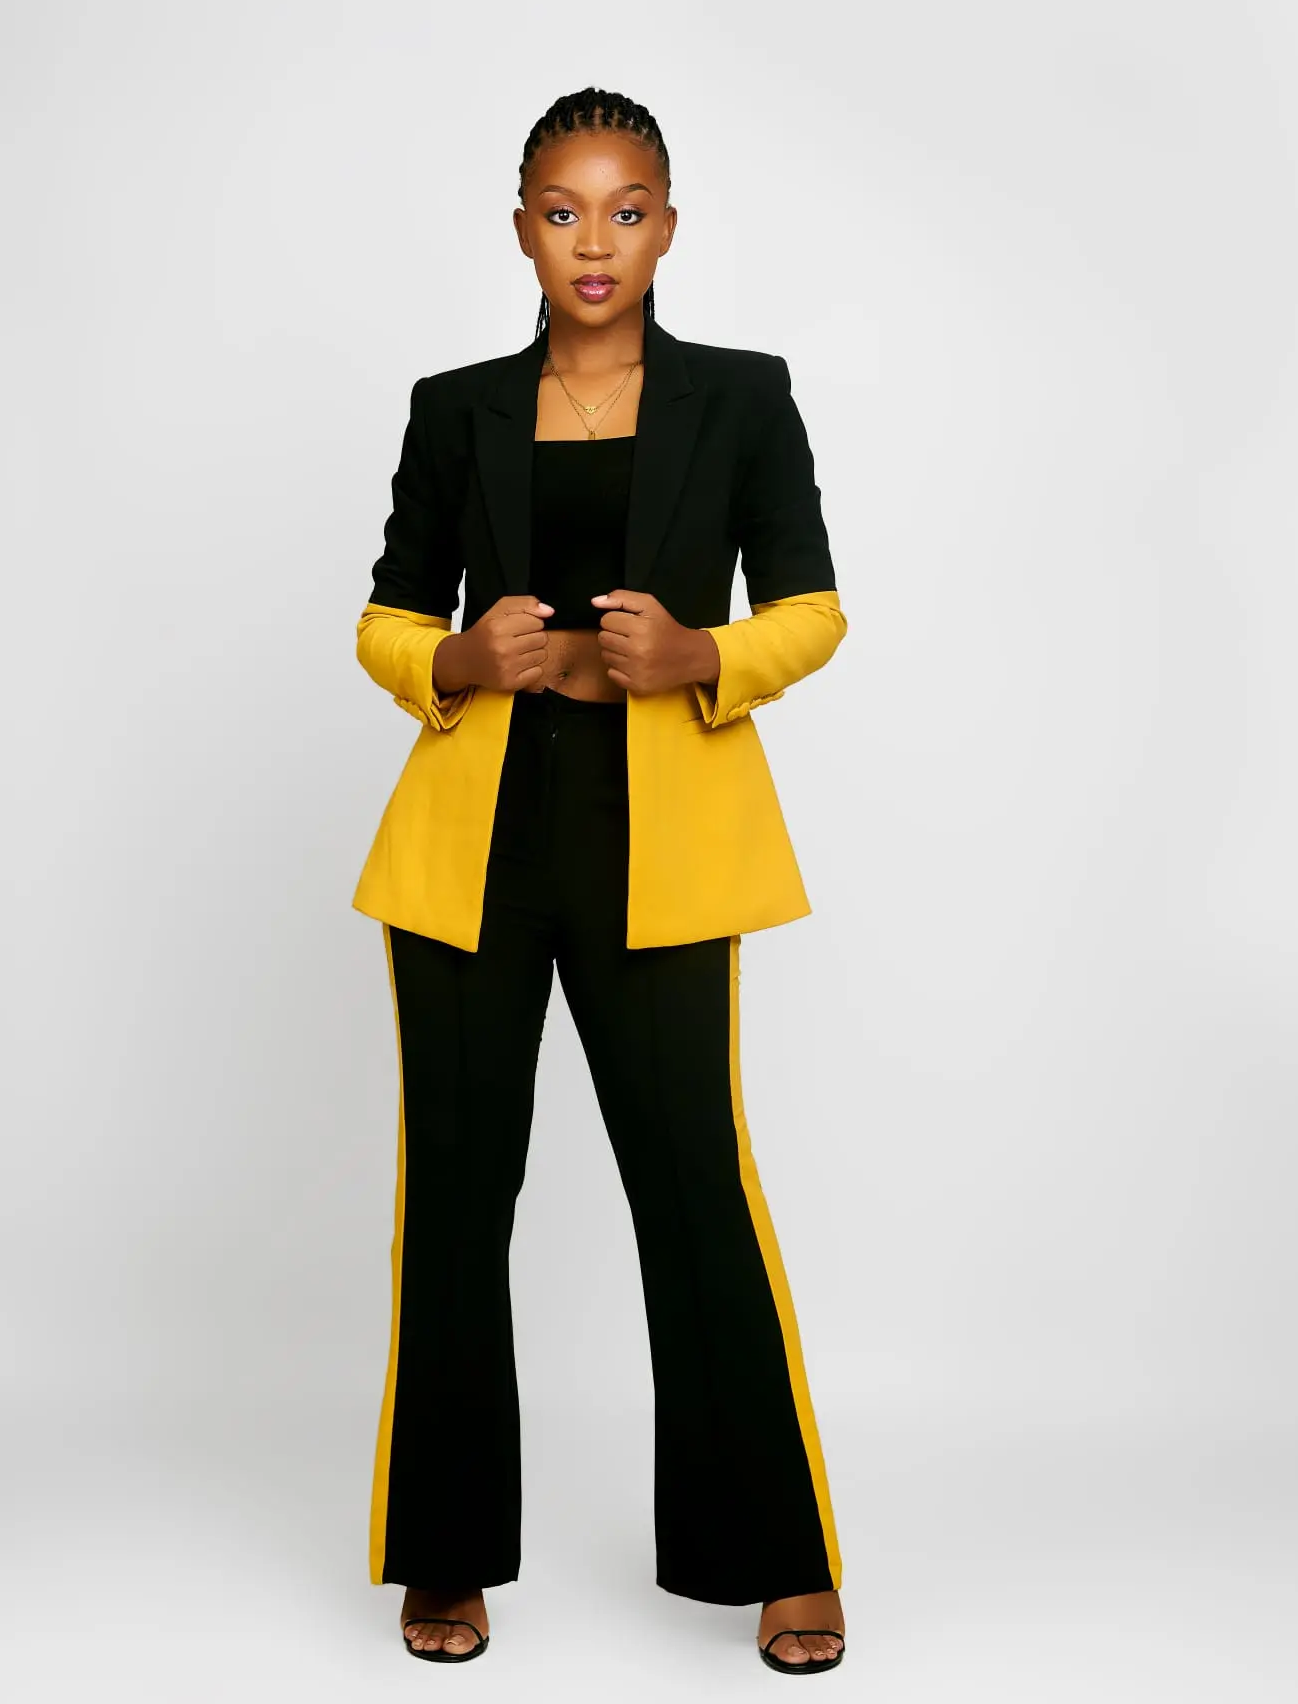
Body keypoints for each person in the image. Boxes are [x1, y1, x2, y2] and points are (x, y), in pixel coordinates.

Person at [351, 87, 849, 1675]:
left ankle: (778, 1557)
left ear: (668, 226)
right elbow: (386, 615)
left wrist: (706, 655)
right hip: (474, 852)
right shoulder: (454, 410)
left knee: (693, 1189)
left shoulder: (740, 398)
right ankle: (443, 1558)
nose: (594, 240)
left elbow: (813, 606)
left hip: (662, 846)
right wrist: (450, 659)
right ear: (520, 229)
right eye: (562, 211)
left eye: (625, 210)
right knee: (455, 1197)